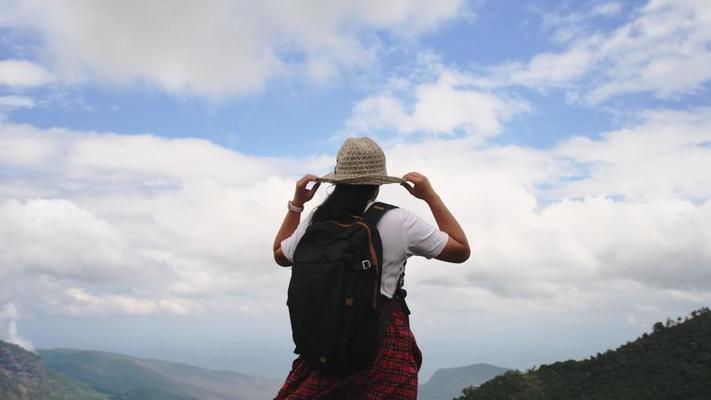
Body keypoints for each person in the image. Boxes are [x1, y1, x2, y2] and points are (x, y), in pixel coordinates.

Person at [272, 137, 470, 399]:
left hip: (326, 339)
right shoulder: (399, 221)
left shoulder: (318, 220)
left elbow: (280, 254)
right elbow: (460, 250)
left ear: (338, 180)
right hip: (381, 341)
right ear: (378, 183)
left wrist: (297, 204)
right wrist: (430, 197)